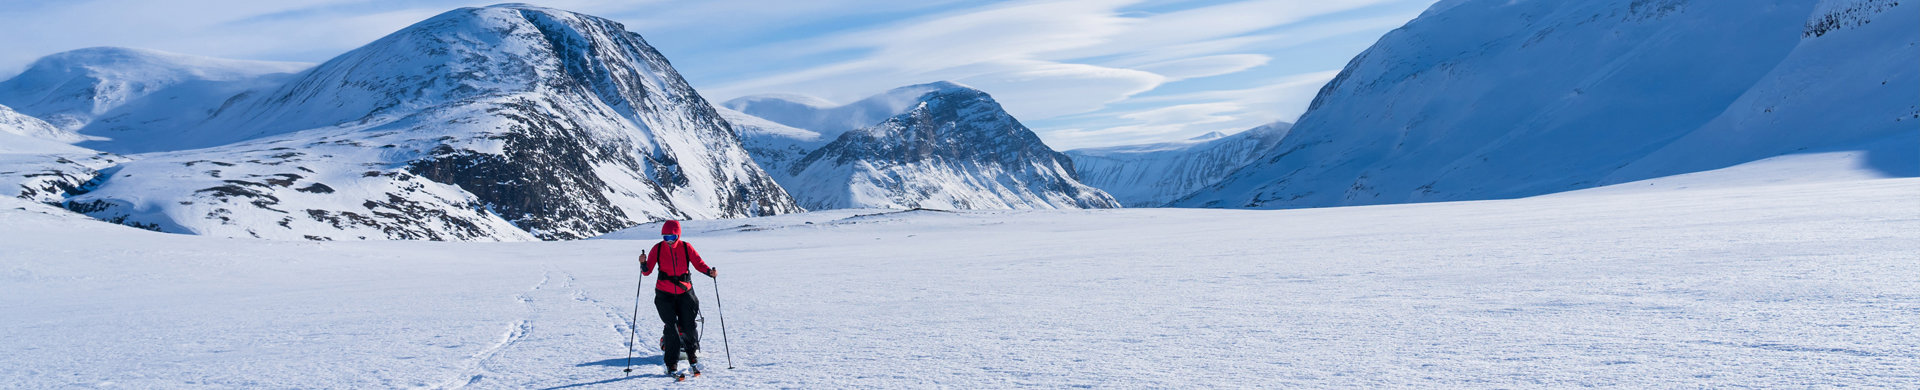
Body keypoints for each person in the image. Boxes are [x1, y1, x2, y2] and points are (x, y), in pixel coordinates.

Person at [640, 220, 715, 380]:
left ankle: (692, 356)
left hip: (685, 293)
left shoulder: (686, 247)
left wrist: (709, 272)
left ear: (678, 235)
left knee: (689, 326)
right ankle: (671, 363)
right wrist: (643, 263)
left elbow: (698, 263)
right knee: (671, 328)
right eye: (666, 237)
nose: (669, 241)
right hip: (664, 294)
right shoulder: (657, 249)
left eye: (672, 237)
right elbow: (647, 272)